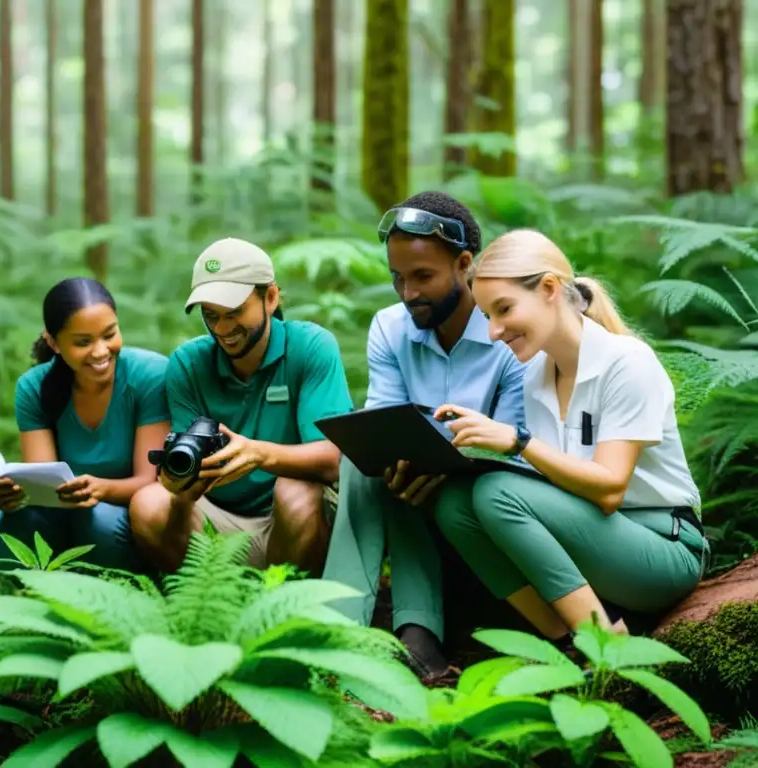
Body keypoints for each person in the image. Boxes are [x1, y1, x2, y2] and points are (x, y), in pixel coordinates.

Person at [432, 228, 708, 648]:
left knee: (496, 492)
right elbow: (558, 487)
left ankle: (605, 646)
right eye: (487, 316)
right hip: (600, 538)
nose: (493, 331)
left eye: (503, 310)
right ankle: (559, 638)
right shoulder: (537, 377)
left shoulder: (626, 363)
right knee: (455, 503)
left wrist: (517, 443)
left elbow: (611, 488)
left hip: (664, 549)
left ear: (548, 289)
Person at [320, 191, 528, 681]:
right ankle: (336, 633)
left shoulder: (510, 331)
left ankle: (417, 630)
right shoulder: (390, 328)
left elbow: (521, 447)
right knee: (364, 464)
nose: (408, 293)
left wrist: (445, 464)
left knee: (440, 483)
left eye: (423, 277)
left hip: (485, 508)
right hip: (410, 494)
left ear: (464, 264)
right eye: (398, 278)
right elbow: (384, 422)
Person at [128, 237, 354, 573]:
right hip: (216, 522)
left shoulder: (310, 347)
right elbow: (180, 480)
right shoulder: (189, 364)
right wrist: (180, 485)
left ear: (271, 297)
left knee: (297, 494)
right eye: (210, 315)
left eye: (234, 313)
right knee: (148, 503)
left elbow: (334, 458)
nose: (222, 328)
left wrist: (259, 454)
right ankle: (208, 604)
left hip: (293, 520)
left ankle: (285, 609)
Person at [0, 277, 170, 573]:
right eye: (83, 342)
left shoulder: (150, 375)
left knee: (99, 523)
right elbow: (44, 484)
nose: (100, 351)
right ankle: (43, 599)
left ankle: (123, 595)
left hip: (127, 513)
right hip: (67, 511)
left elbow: (150, 481)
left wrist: (101, 489)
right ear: (54, 342)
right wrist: (13, 494)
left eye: (110, 335)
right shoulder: (34, 387)